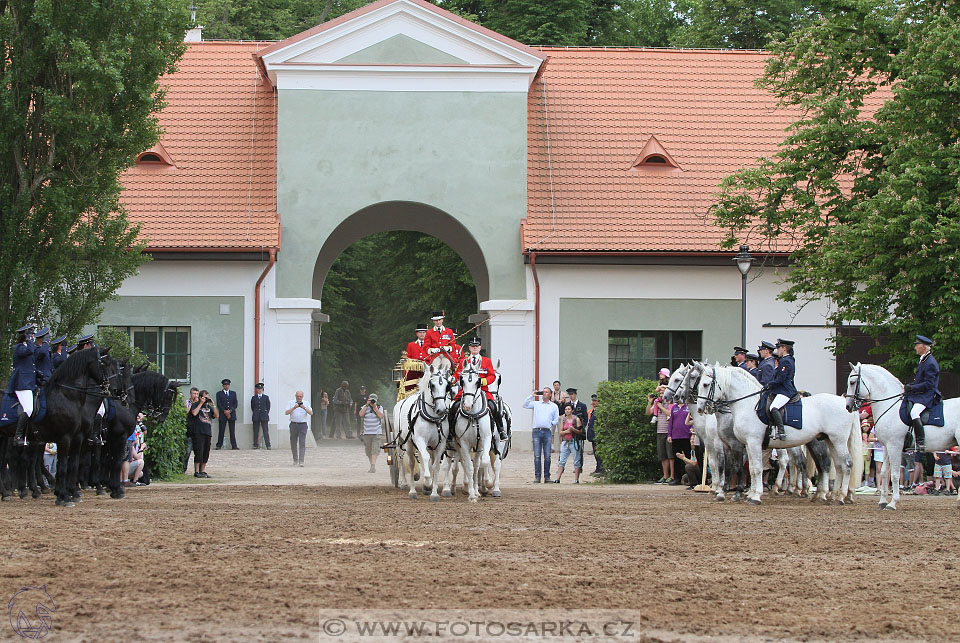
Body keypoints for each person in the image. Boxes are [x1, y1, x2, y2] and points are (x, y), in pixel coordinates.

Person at [448, 337, 504, 445]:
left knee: (494, 407)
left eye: (476, 346)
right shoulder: (464, 361)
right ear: (469, 348)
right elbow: (457, 374)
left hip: (483, 391)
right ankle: (451, 432)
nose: (474, 348)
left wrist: (483, 381)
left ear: (480, 347)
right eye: (472, 346)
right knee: (453, 407)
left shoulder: (486, 361)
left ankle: (501, 431)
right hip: (465, 392)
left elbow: (492, 376)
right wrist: (453, 379)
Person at [904, 335, 940, 451]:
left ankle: (920, 442)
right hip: (921, 393)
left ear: (923, 347)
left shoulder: (930, 362)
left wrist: (913, 388)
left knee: (914, 412)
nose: (915, 347)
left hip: (927, 395)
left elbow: (929, 384)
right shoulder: (924, 359)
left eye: (917, 345)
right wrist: (910, 386)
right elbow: (920, 380)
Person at [524, 387, 559, 483]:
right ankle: (537, 477)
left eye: (546, 392)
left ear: (550, 394)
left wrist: (550, 423)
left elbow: (556, 419)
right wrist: (532, 395)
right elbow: (525, 404)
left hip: (547, 431)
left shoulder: (553, 406)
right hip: (536, 431)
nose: (544, 393)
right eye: (543, 392)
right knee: (537, 456)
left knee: (547, 455)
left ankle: (547, 477)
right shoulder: (536, 404)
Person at [11, 324, 37, 445]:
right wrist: (30, 340)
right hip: (22, 383)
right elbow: (30, 351)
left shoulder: (26, 346)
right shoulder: (19, 347)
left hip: (30, 382)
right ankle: (18, 436)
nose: (32, 337)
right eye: (30, 334)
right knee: (28, 408)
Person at [766, 339, 797, 441]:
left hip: (786, 390)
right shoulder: (787, 360)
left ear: (784, 348)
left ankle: (781, 431)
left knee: (773, 407)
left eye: (778, 348)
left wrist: (769, 385)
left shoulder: (786, 361)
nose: (777, 350)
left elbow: (781, 379)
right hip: (782, 389)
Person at [647, 386, 672, 483]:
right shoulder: (657, 402)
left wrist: (661, 406)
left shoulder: (670, 402)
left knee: (670, 455)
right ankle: (665, 476)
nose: (662, 395)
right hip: (660, 431)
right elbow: (648, 412)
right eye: (660, 393)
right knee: (662, 455)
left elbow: (670, 413)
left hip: (669, 431)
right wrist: (650, 402)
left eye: (663, 393)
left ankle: (672, 476)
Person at [553, 403, 584, 483]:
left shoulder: (576, 419)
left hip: (575, 442)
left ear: (572, 410)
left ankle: (576, 479)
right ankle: (557, 478)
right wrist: (566, 431)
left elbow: (580, 431)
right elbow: (560, 432)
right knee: (561, 460)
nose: (567, 411)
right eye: (566, 409)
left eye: (569, 409)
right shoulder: (563, 419)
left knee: (577, 460)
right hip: (565, 442)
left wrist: (573, 430)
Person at [190, 390, 217, 478]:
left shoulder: (209, 406)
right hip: (198, 432)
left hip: (207, 432)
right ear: (201, 397)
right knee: (199, 451)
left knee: (206, 452)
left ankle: (203, 471)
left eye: (207, 397)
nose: (206, 399)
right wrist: (200, 403)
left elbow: (216, 415)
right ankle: (197, 471)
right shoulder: (196, 404)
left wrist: (213, 405)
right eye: (205, 397)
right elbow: (194, 413)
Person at [285, 390, 313, 467]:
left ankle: (301, 461)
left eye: (300, 396)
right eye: (298, 396)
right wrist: (294, 408)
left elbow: (311, 413)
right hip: (293, 424)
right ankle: (295, 459)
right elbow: (286, 412)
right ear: (295, 396)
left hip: (303, 425)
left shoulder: (306, 403)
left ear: (302, 397)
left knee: (302, 442)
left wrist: (304, 408)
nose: (299, 398)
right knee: (293, 443)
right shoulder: (291, 402)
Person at [359, 393, 385, 473]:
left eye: (374, 400)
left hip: (376, 432)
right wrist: (367, 405)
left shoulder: (379, 407)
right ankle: (371, 465)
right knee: (368, 450)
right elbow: (360, 414)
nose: (372, 402)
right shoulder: (364, 407)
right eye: (371, 400)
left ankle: (373, 465)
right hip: (367, 433)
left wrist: (375, 408)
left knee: (375, 450)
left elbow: (381, 416)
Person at [667, 401, 691, 486]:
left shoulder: (688, 407)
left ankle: (690, 478)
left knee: (688, 457)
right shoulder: (674, 407)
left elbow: (692, 420)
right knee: (676, 458)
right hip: (675, 436)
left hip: (686, 436)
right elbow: (671, 422)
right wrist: (669, 434)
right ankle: (677, 478)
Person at [566, 388, 588, 476]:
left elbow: (585, 418)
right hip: (569, 430)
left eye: (572, 394)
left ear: (575, 394)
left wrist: (582, 428)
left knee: (579, 449)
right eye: (569, 394)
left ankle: (579, 467)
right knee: (566, 448)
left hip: (578, 430)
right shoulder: (568, 405)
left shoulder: (582, 405)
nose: (571, 396)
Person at [215, 378, 239, 450]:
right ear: (223, 386)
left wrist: (230, 411)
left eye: (227, 384)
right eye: (225, 385)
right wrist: (225, 411)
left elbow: (235, 404)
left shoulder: (233, 393)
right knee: (221, 430)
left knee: (232, 431)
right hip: (223, 414)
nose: (226, 386)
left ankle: (234, 445)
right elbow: (219, 404)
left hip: (231, 414)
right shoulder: (219, 393)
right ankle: (219, 445)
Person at [251, 383, 271, 449]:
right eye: (258, 389)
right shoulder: (254, 398)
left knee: (265, 431)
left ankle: (268, 445)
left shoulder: (266, 397)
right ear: (256, 390)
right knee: (255, 431)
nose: (259, 390)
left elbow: (268, 406)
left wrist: (265, 412)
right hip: (256, 416)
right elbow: (252, 407)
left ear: (262, 390)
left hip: (264, 416)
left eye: (260, 389)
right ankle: (255, 444)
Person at [587, 394, 603, 475]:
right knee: (596, 453)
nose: (593, 402)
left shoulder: (600, 411)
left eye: (595, 401)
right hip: (593, 436)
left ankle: (601, 469)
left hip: (598, 436)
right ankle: (598, 468)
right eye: (593, 401)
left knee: (599, 453)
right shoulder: (593, 411)